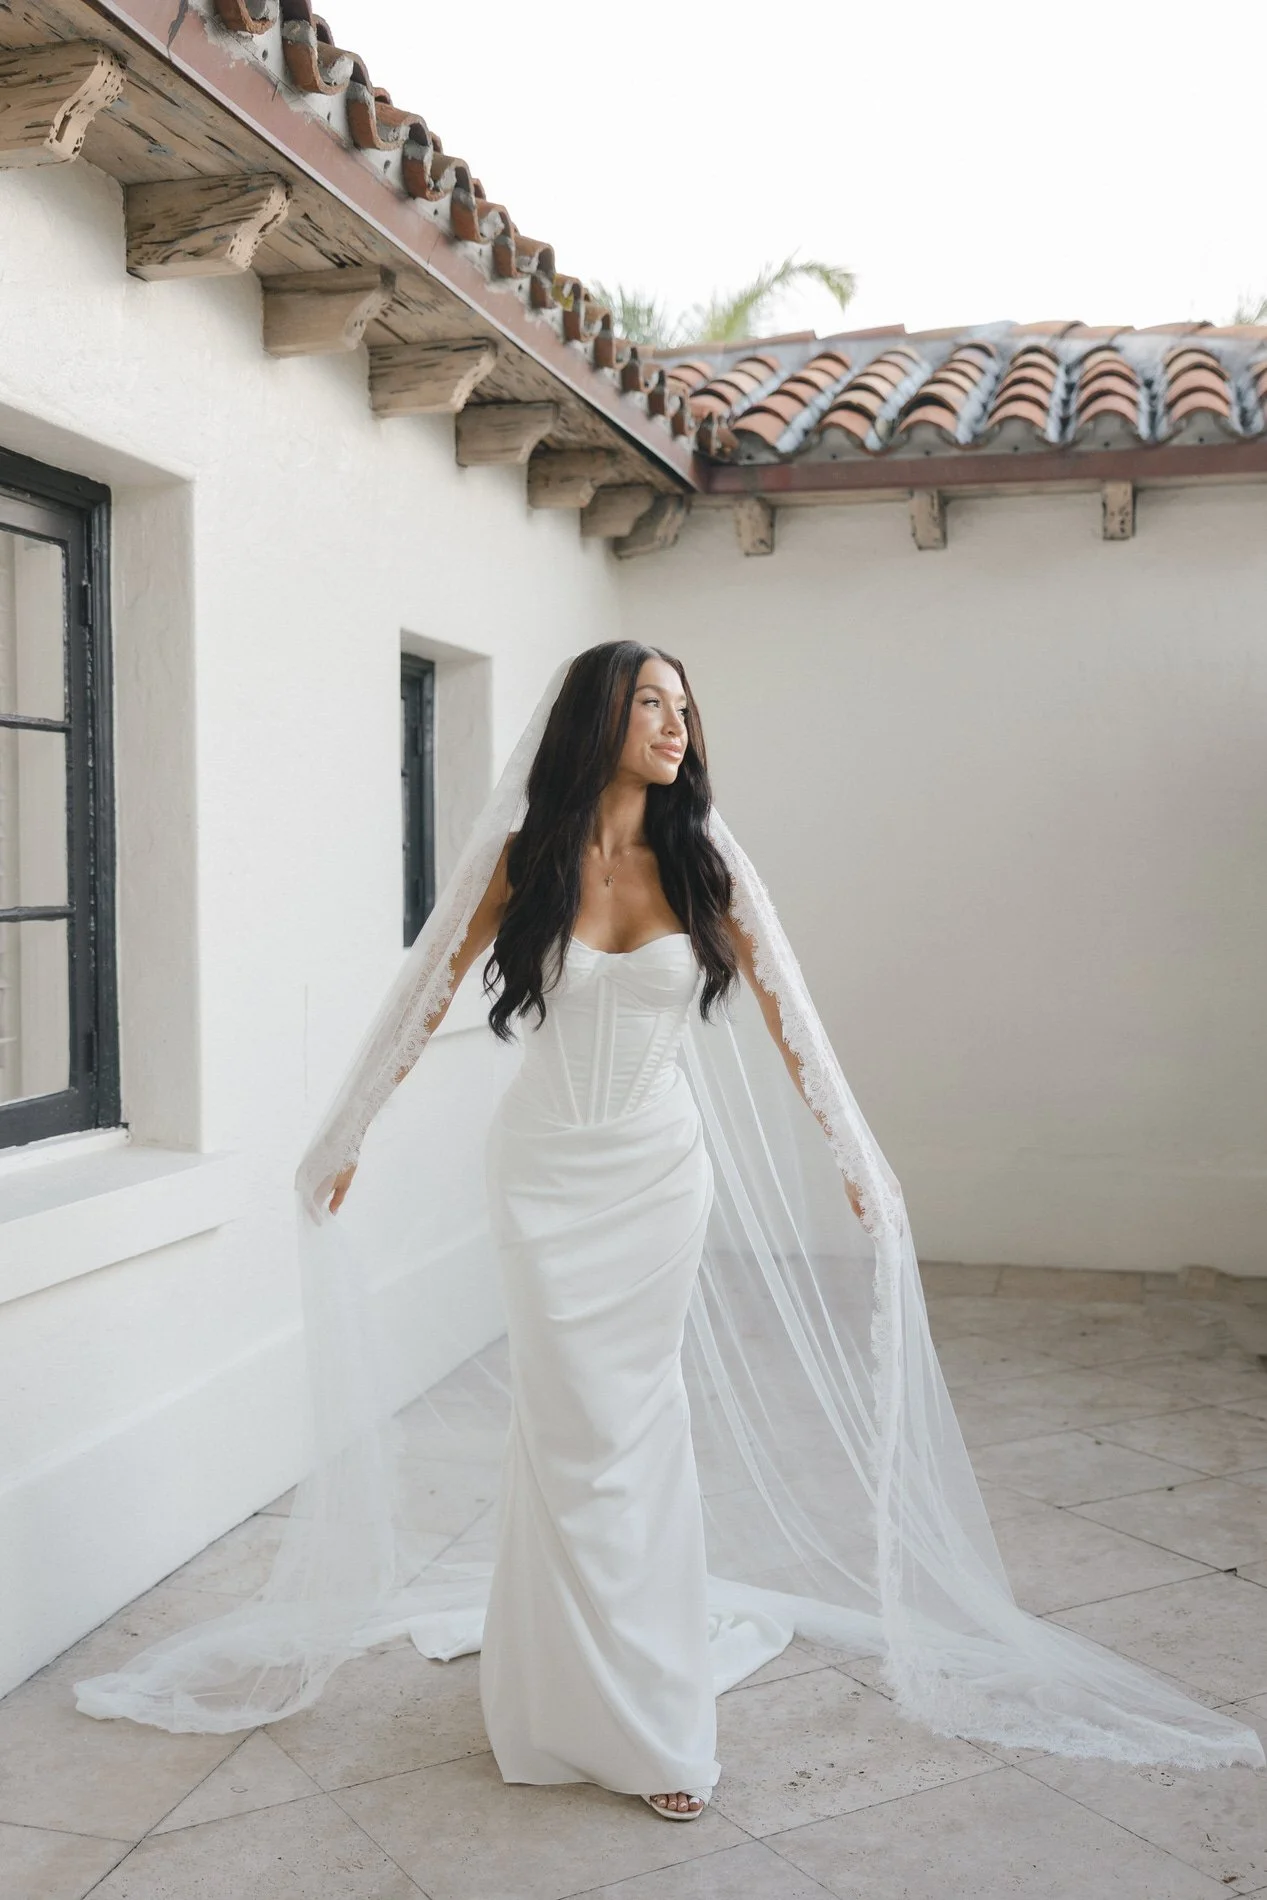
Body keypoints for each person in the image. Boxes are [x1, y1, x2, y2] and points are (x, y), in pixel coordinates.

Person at [76, 642, 1264, 1791]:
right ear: (598, 715)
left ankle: (653, 1719)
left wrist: (858, 1156)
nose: (675, 726)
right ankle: (551, 1692)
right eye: (651, 702)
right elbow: (420, 993)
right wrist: (344, 1134)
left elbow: (793, 1014)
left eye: (683, 709)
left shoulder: (702, 863)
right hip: (540, 1175)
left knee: (632, 1425)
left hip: (653, 1177)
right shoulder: (524, 860)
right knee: (564, 1424)